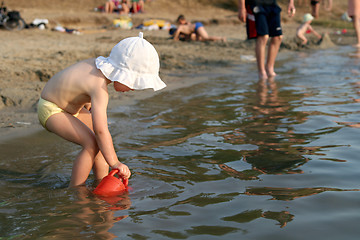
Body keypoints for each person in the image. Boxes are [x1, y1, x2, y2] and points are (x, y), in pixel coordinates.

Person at [37, 32, 166, 187]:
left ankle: (102, 181)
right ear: (123, 74)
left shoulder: (96, 67)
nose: (133, 89)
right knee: (91, 143)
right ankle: (77, 192)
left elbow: (76, 85)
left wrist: (88, 105)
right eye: (134, 83)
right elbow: (101, 130)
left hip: (70, 107)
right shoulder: (99, 89)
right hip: (51, 108)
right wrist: (115, 162)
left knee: (100, 143)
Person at [238, 0, 296, 80]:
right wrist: (241, 8)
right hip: (256, 4)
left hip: (272, 4)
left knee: (278, 37)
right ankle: (261, 72)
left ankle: (270, 68)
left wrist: (291, 3)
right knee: (263, 36)